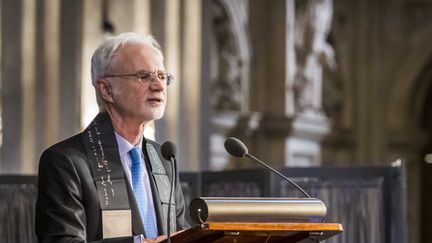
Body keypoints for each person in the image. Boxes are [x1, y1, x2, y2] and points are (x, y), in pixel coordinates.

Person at [35, 32, 189, 243]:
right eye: (144, 76)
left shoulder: (164, 160)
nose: (159, 86)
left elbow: (181, 235)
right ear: (106, 89)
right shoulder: (66, 162)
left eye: (162, 76)